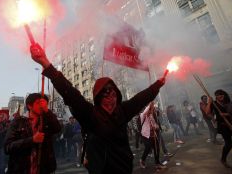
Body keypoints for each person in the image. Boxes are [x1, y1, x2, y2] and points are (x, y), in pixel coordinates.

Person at [30, 43, 165, 174]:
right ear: (98, 98)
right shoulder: (90, 114)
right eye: (106, 96)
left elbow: (140, 99)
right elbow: (70, 93)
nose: (111, 100)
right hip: (99, 169)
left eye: (113, 95)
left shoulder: (122, 111)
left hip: (123, 168)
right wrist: (46, 64)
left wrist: (158, 84)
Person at [4, 93, 61, 174]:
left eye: (44, 103)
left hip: (43, 169)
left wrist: (48, 111)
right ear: (29, 106)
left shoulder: (47, 121)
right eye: (38, 103)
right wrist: (32, 140)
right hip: (21, 169)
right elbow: (8, 147)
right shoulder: (18, 122)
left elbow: (57, 128)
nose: (42, 105)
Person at [205, 89, 232, 168]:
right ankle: (223, 159)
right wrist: (209, 102)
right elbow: (207, 112)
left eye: (221, 95)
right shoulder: (214, 103)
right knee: (229, 145)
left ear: (224, 95)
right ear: (216, 97)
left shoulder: (228, 102)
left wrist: (226, 114)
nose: (220, 97)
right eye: (218, 95)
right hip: (223, 126)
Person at [139, 102, 167, 171]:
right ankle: (142, 160)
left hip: (153, 135)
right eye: (150, 109)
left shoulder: (151, 115)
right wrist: (150, 104)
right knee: (148, 148)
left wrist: (157, 126)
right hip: (146, 135)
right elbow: (146, 111)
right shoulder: (142, 115)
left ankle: (157, 163)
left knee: (157, 148)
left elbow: (154, 124)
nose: (151, 110)